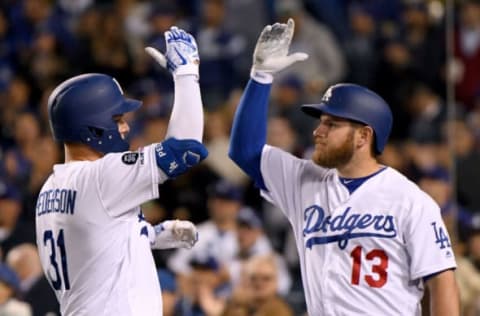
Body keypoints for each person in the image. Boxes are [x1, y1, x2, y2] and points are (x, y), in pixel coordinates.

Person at [228, 18, 460, 315]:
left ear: (364, 135)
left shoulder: (409, 200)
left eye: (332, 124)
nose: (318, 132)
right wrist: (260, 77)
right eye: (321, 122)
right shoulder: (303, 181)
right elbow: (245, 151)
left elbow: (442, 282)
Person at [35, 26, 208, 316]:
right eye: (117, 119)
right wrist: (186, 74)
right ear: (92, 129)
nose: (126, 127)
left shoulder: (50, 187)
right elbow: (187, 148)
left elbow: (95, 244)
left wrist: (149, 235)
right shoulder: (101, 177)